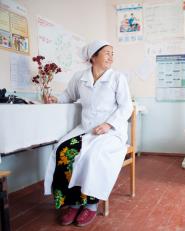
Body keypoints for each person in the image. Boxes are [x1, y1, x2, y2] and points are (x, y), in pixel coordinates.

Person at [43, 40, 133, 226]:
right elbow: (68, 96)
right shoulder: (80, 77)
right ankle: (73, 203)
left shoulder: (117, 78)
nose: (111, 57)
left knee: (93, 156)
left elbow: (126, 107)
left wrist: (109, 124)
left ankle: (91, 205)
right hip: (85, 129)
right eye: (106, 53)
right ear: (93, 57)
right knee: (63, 151)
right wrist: (55, 99)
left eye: (112, 53)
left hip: (110, 132)